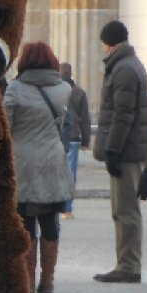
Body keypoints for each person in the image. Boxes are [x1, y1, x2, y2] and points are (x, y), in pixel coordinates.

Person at [4, 42, 74, 293]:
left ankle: (28, 279)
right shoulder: (64, 89)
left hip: (23, 159)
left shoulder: (15, 90)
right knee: (51, 218)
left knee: (25, 219)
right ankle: (48, 279)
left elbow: (6, 128)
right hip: (53, 158)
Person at [92, 20, 147, 283]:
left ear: (109, 43)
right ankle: (127, 262)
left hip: (126, 151)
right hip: (131, 147)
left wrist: (113, 150)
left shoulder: (124, 69)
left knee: (125, 209)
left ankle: (128, 266)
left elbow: (122, 114)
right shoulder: (129, 64)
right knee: (125, 209)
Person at [58, 61, 91, 217]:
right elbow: (85, 119)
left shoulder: (54, 90)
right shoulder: (79, 92)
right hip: (73, 138)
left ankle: (56, 205)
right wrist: (86, 140)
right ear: (71, 74)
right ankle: (67, 208)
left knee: (56, 172)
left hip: (57, 137)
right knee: (71, 174)